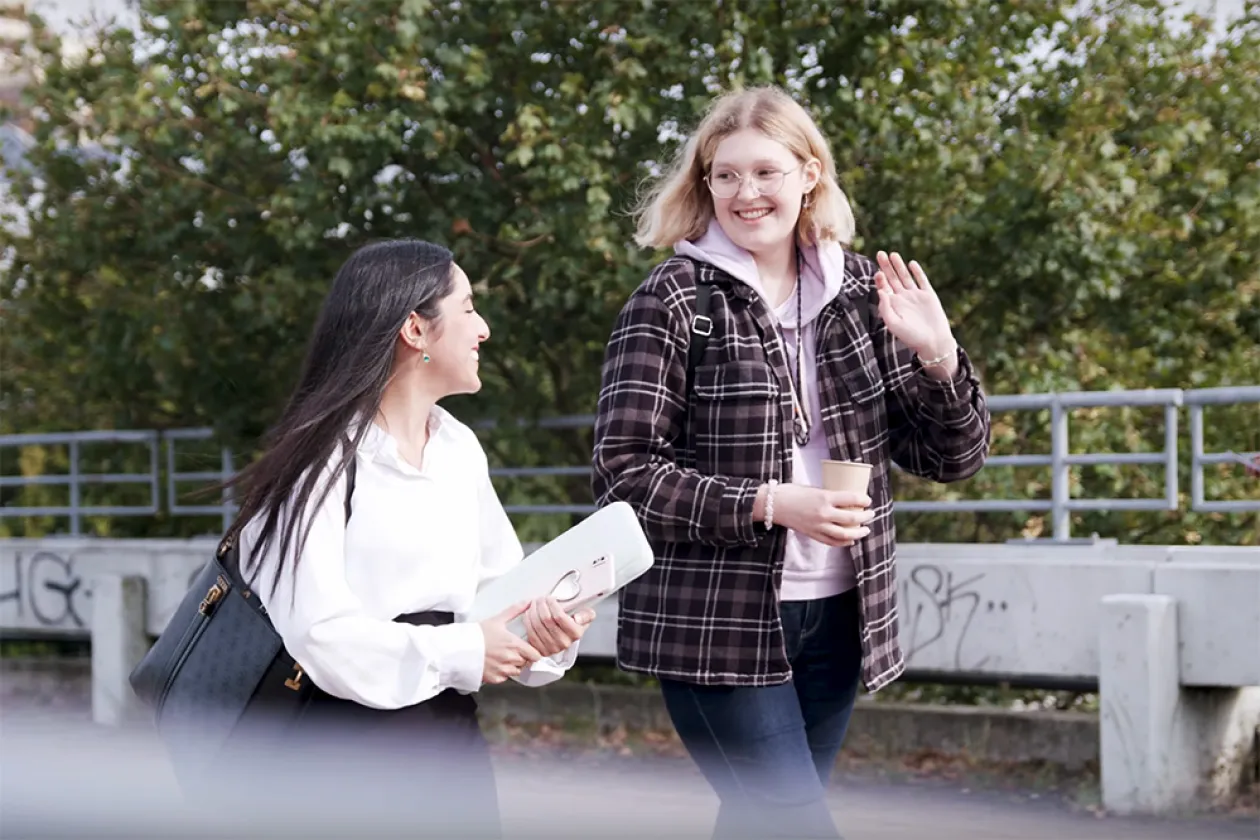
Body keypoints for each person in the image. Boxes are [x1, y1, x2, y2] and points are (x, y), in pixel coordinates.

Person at [591, 86, 991, 838]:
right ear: (704, 185)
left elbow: (954, 456)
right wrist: (768, 503)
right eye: (726, 175)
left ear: (809, 174)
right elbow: (623, 472)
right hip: (716, 622)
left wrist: (938, 353)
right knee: (795, 822)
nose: (746, 193)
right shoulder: (672, 300)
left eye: (766, 172)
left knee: (760, 823)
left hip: (842, 614)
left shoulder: (864, 294)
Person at [221, 239, 593, 837]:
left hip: (449, 745)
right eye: (468, 308)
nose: (485, 328)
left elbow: (496, 593)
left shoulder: (457, 448)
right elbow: (321, 636)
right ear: (415, 329)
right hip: (339, 757)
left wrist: (541, 633)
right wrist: (467, 650)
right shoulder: (319, 463)